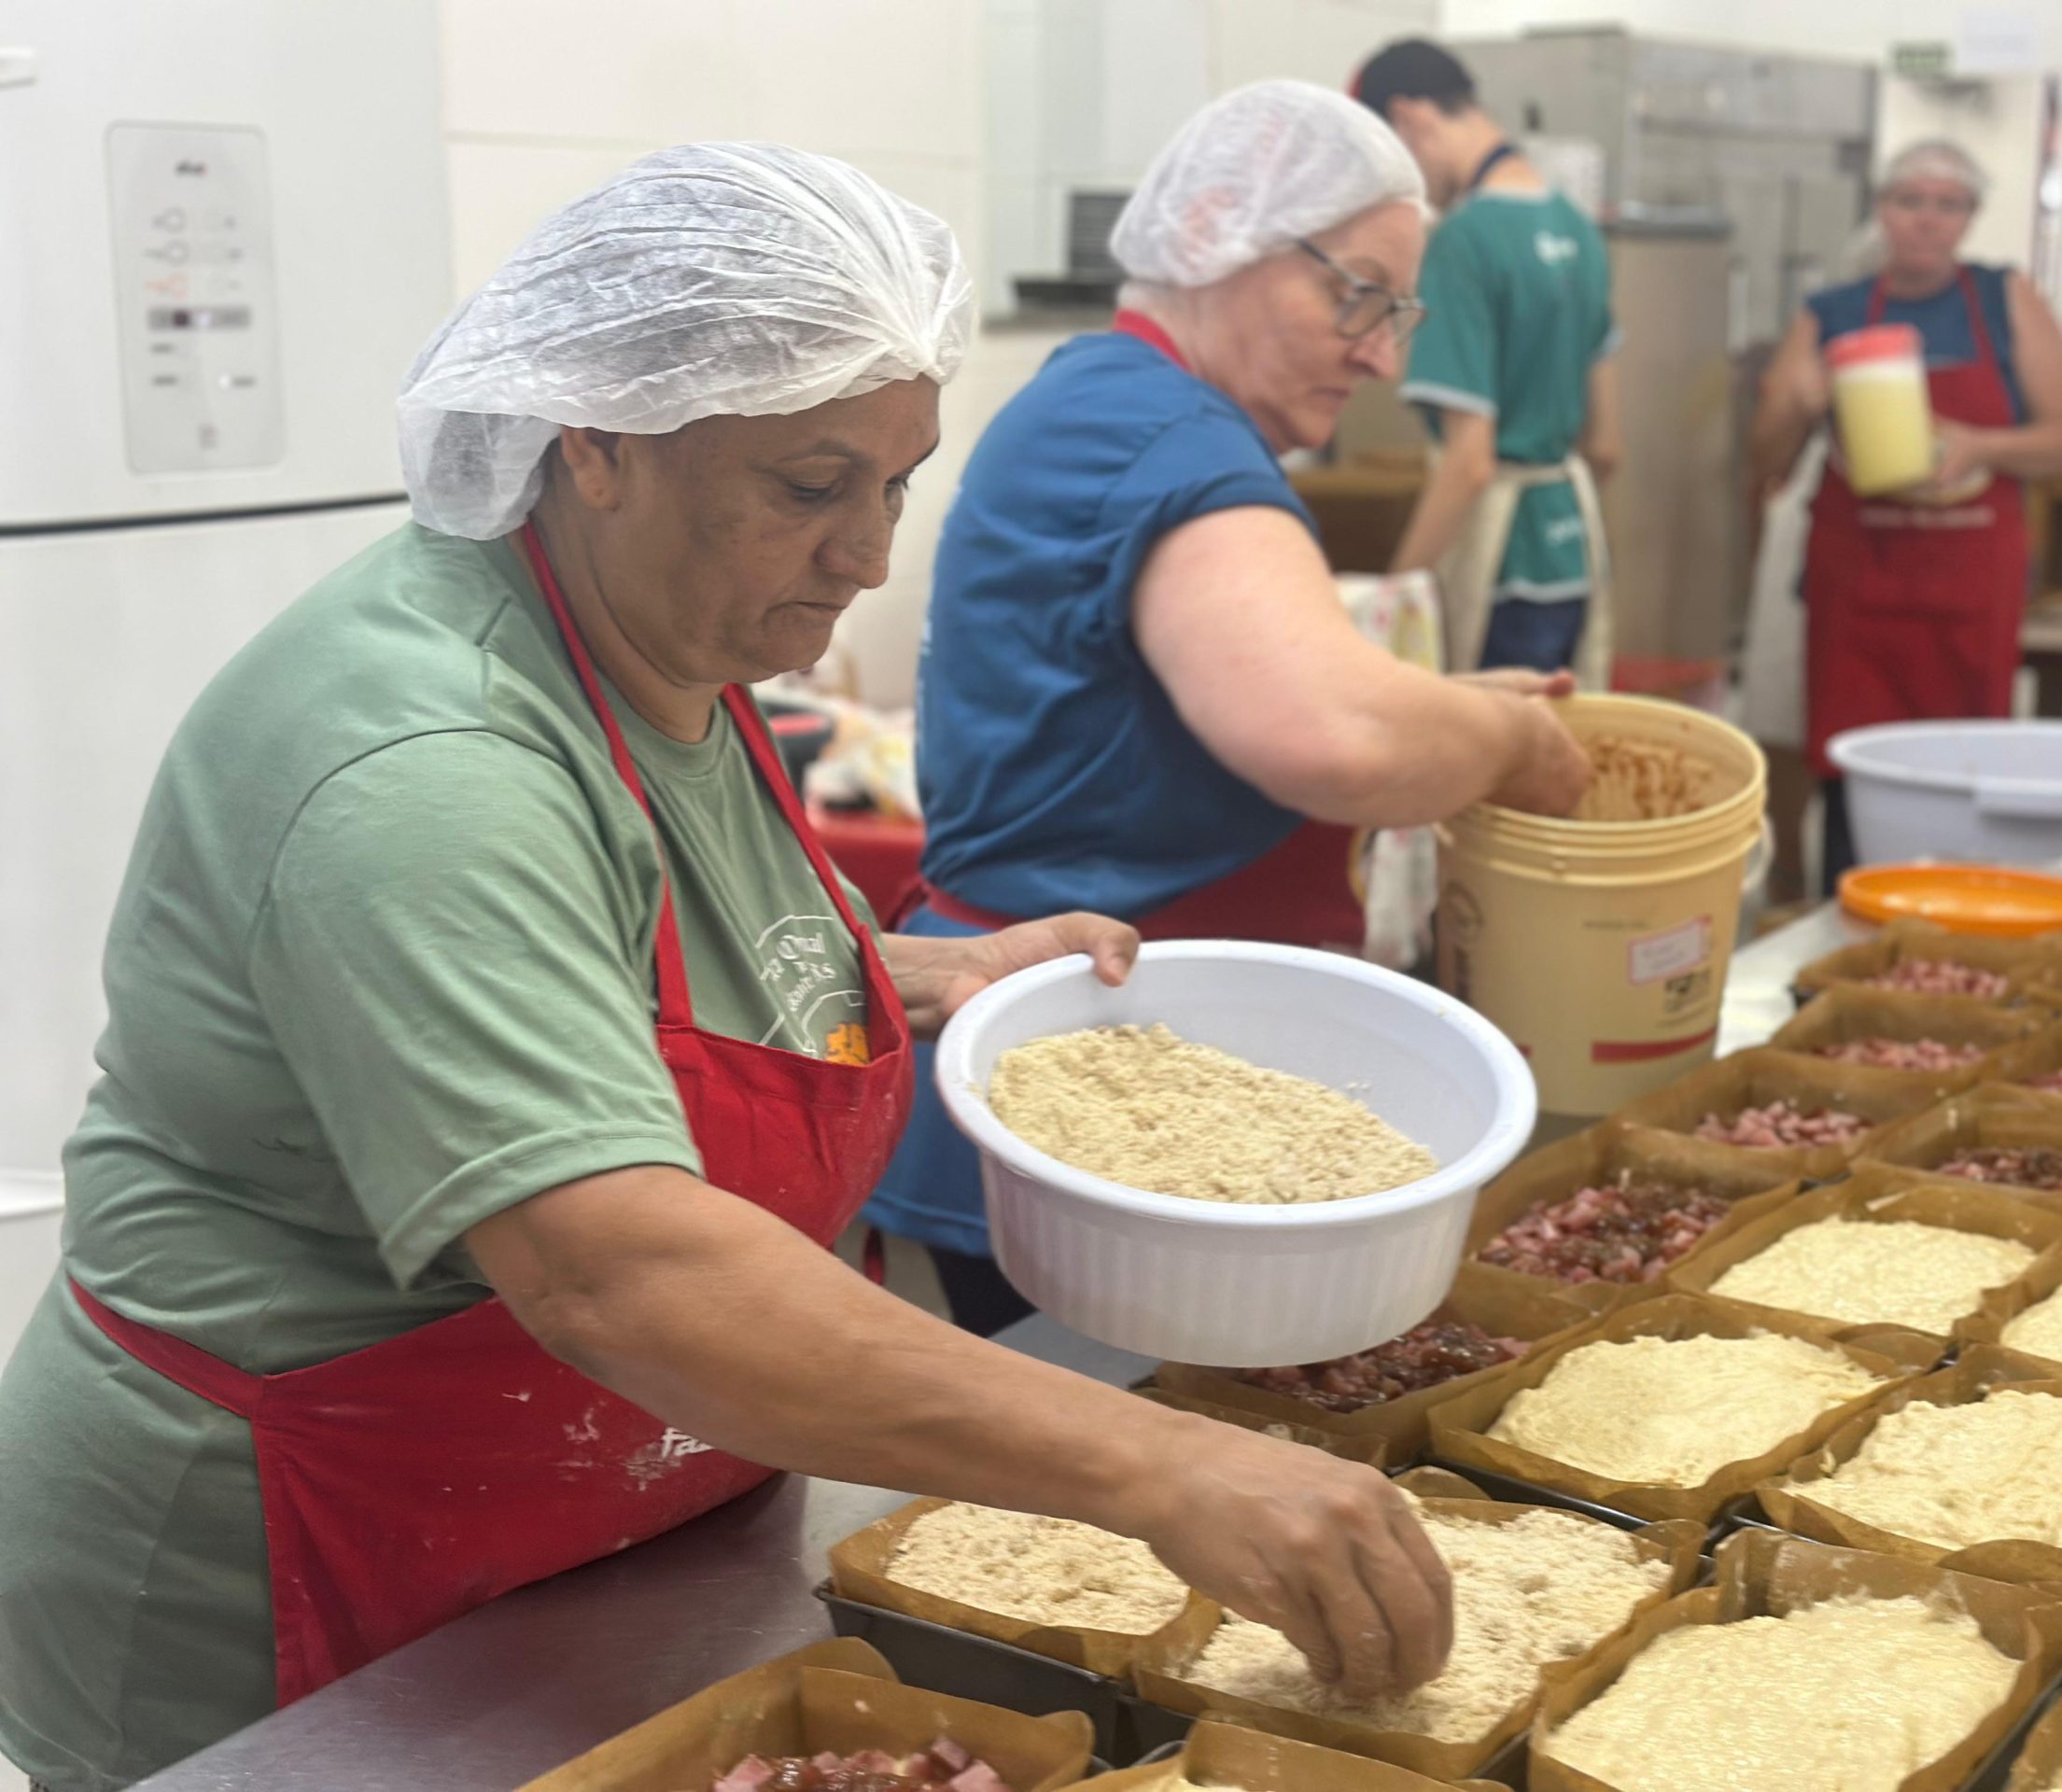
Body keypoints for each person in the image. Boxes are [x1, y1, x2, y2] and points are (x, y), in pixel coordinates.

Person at [0, 146, 1457, 1792]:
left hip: (593, 1544)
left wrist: (910, 974)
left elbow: (611, 953)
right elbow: (620, 1272)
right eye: (812, 485)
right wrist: (1161, 1465)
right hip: (310, 1576)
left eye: (896, 485)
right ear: (598, 443)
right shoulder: (425, 764)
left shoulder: (666, 648)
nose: (868, 555)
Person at [857, 83, 1592, 1334]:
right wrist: (1513, 742)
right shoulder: (1157, 433)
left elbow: (1161, 720)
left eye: (1396, 312)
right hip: (1099, 1088)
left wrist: (1445, 707)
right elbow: (1332, 735)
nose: (1382, 355)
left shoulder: (1111, 406)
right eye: (1356, 295)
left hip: (1147, 1065)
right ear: (1213, 233)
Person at [1750, 139, 2062, 885]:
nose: (1928, 221)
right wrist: (1796, 403)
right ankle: (1849, 904)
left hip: (1967, 586)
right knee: (1849, 761)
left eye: (1948, 205)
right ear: (1883, 210)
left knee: (1962, 763)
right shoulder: (1831, 314)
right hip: (1860, 588)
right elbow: (1765, 461)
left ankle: (1957, 900)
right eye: (1911, 202)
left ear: (1969, 217)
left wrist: (1980, 446)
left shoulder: (2005, 300)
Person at [1356, 39, 1621, 682]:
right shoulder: (1578, 228)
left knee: (1485, 745)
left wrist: (1390, 601)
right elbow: (1606, 446)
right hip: (1571, 558)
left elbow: (1469, 462)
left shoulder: (1463, 242)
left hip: (1501, 565)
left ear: (1410, 119)